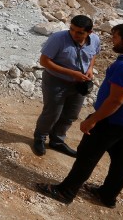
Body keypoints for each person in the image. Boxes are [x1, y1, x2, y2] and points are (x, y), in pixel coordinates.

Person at [36, 23, 123, 208]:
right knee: (120, 158)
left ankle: (65, 192)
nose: (113, 40)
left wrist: (93, 119)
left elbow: (115, 101)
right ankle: (107, 195)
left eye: (116, 37)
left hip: (113, 121)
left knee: (87, 156)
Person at [33, 15, 101, 157]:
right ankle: (40, 138)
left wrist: (89, 69)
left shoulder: (94, 40)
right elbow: (44, 61)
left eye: (79, 32)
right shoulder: (58, 39)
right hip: (55, 81)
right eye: (72, 30)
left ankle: (57, 141)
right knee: (52, 113)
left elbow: (93, 54)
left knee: (71, 114)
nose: (74, 34)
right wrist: (71, 73)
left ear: (90, 32)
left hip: (79, 83)